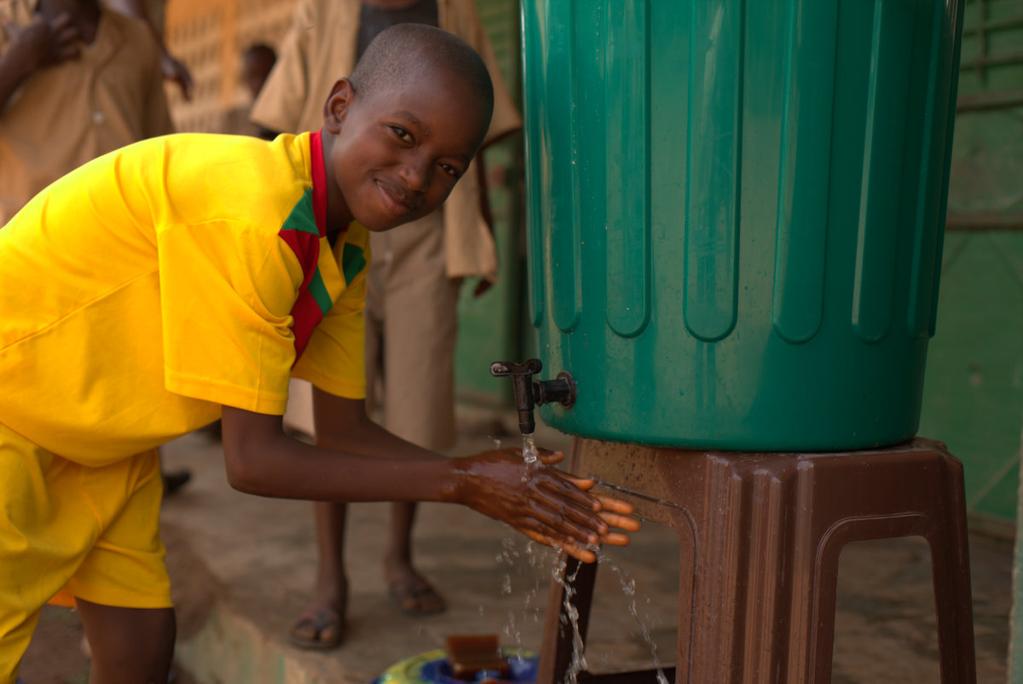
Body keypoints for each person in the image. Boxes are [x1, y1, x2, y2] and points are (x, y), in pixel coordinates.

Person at [0, 24, 639, 682]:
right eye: (402, 134)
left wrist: (488, 475)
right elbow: (252, 461)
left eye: (448, 167)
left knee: (140, 633)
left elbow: (343, 430)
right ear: (338, 107)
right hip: (15, 407)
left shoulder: (341, 242)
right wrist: (465, 483)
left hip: (96, 433)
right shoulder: (258, 213)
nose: (416, 175)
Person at [251, 0, 521, 649]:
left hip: (424, 235)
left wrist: (477, 232)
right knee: (324, 414)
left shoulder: (456, 12)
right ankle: (330, 577)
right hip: (334, 214)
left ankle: (399, 556)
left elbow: (469, 140)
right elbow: (274, 118)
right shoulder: (324, 10)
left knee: (415, 404)